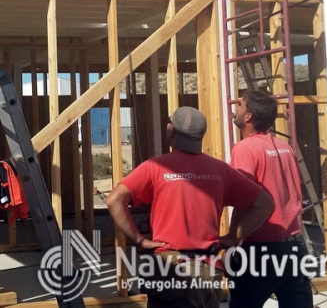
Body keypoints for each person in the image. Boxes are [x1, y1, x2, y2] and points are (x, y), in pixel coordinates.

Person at [107, 106, 275, 308]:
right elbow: (265, 203)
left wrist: (139, 240)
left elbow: (114, 200)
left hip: (171, 268)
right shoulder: (220, 169)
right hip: (207, 268)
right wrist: (233, 237)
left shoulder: (157, 167)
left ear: (171, 131)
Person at [226, 89, 314, 308]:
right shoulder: (285, 148)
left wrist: (232, 238)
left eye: (241, 106)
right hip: (294, 246)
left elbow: (243, 201)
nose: (236, 110)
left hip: (260, 248)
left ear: (248, 117)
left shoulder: (245, 149)